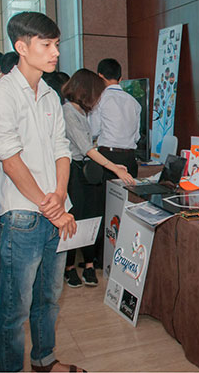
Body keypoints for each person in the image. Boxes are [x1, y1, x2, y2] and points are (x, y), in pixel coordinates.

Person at [0, 11, 83, 372]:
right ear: (21, 47)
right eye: (46, 45)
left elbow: (62, 148)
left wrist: (60, 195)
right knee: (14, 308)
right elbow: (9, 158)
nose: (55, 52)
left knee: (49, 299)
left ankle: (44, 360)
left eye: (57, 44)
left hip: (55, 211)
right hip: (21, 217)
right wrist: (52, 208)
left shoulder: (49, 93)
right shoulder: (2, 93)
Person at [61, 68, 135, 288]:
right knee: (75, 216)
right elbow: (85, 148)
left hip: (87, 171)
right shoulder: (67, 111)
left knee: (92, 216)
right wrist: (114, 167)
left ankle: (90, 264)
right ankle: (69, 267)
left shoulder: (81, 112)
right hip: (73, 171)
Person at [89, 58, 141, 177]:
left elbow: (93, 131)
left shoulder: (99, 99)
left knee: (106, 195)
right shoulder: (134, 102)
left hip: (108, 158)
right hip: (130, 159)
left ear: (100, 76)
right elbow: (137, 136)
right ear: (120, 79)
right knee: (129, 195)